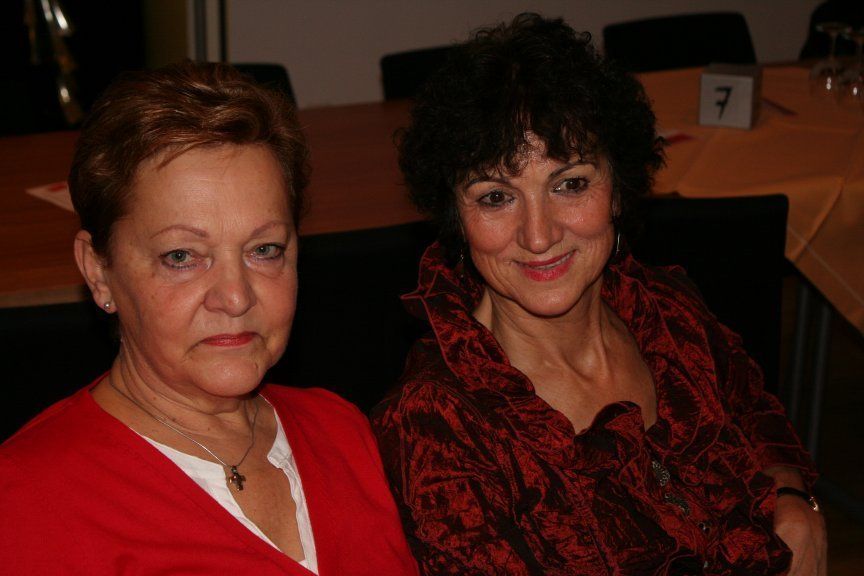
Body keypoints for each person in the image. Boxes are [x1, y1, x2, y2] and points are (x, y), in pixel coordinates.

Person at [372, 13, 826, 576]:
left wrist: (792, 499)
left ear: (618, 188)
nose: (539, 235)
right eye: (495, 197)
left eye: (570, 184)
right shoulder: (437, 428)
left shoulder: (665, 311)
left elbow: (755, 416)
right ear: (456, 219)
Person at [0, 61, 418, 576]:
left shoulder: (344, 434)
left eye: (264, 250)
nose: (235, 297)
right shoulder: (28, 502)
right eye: (181, 257)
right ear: (99, 272)